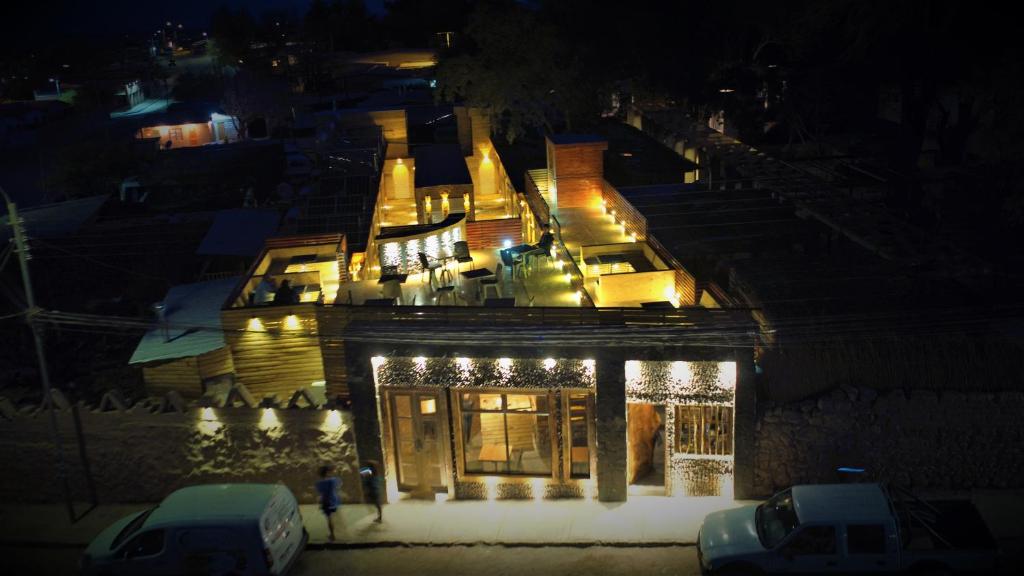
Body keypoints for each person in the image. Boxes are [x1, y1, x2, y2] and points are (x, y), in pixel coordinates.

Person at [315, 465, 342, 541]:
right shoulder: (332, 480)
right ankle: (334, 533)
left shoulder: (319, 483)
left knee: (329, 519)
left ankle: (332, 535)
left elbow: (320, 492)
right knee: (334, 517)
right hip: (333, 501)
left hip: (326, 502)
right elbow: (339, 483)